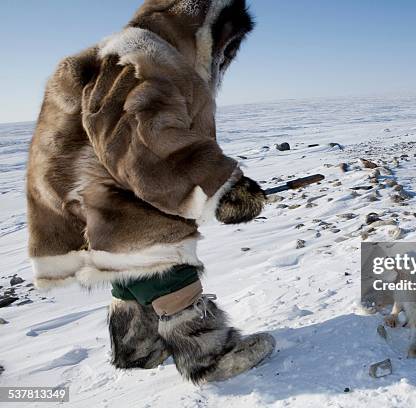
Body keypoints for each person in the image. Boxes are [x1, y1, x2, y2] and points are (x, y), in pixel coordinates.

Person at [26, 0, 275, 383]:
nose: (225, 59)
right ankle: (208, 357)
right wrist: (220, 187)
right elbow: (144, 140)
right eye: (226, 47)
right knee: (162, 256)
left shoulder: (125, 53)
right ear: (204, 30)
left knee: (128, 255)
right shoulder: (145, 57)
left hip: (92, 192)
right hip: (117, 189)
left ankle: (136, 346)